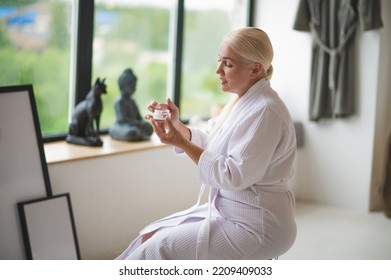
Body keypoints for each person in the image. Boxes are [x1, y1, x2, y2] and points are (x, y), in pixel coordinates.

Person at [116, 27, 297, 260]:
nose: (218, 70)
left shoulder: (265, 111)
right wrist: (177, 126)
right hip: (232, 213)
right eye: (219, 61)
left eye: (228, 64)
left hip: (258, 227)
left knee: (158, 249)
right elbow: (211, 139)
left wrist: (180, 141)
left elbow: (233, 176)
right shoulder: (242, 102)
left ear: (255, 69)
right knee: (149, 235)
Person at [109, 68, 153, 141]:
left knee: (149, 128)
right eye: (132, 86)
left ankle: (140, 134)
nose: (134, 88)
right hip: (122, 126)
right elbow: (122, 120)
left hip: (134, 125)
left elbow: (139, 117)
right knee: (132, 132)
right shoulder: (119, 101)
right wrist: (138, 124)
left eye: (135, 86)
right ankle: (139, 134)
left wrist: (143, 123)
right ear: (124, 85)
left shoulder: (132, 101)